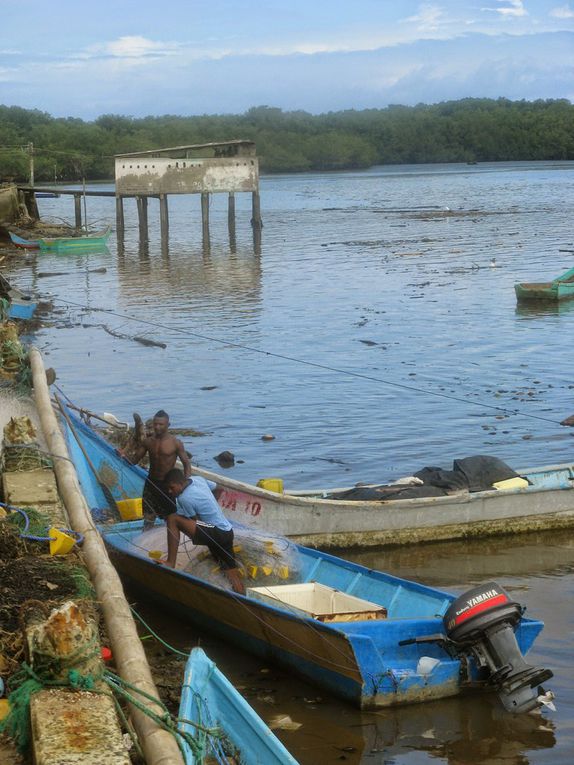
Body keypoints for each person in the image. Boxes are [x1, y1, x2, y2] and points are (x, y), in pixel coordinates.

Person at [164, 468, 245, 595]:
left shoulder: (183, 498)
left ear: (180, 483)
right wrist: (212, 505)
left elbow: (194, 521)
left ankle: (170, 562)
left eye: (171, 487)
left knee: (172, 519)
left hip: (215, 532)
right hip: (227, 531)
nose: (170, 491)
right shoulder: (198, 479)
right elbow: (218, 488)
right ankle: (243, 597)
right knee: (231, 574)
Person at [121, 410, 191, 530]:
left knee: (170, 517)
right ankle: (146, 539)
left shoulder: (175, 443)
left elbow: (186, 464)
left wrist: (186, 483)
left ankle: (168, 541)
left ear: (168, 425)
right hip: (151, 482)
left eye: (161, 424)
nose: (157, 427)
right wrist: (123, 456)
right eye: (155, 424)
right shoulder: (148, 441)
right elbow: (134, 460)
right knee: (148, 516)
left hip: (168, 485)